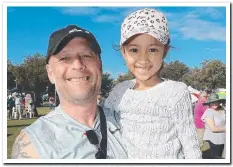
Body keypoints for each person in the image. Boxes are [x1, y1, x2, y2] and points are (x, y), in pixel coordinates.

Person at [11, 25, 127, 159]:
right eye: (65, 58)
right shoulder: (34, 144)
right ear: (50, 73)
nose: (78, 64)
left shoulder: (128, 122)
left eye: (86, 55)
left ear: (100, 67)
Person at [104, 8, 202, 159]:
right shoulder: (119, 91)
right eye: (134, 50)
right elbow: (102, 121)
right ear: (123, 52)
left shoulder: (176, 91)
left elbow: (190, 143)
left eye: (153, 49)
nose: (143, 59)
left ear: (165, 51)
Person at [201, 93, 226, 158]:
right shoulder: (208, 112)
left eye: (216, 101)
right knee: (216, 157)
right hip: (214, 139)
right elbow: (213, 129)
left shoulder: (221, 109)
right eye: (212, 102)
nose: (215, 103)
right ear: (209, 103)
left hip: (223, 138)